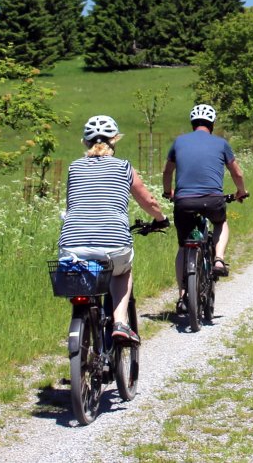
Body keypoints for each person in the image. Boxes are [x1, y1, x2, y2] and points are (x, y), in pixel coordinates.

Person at [59, 115, 168, 344]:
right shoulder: (123, 167)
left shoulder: (74, 167)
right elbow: (148, 200)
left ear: (85, 142)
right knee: (122, 271)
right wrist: (161, 218)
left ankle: (84, 338)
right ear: (114, 140)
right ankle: (120, 322)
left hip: (72, 244)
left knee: (83, 278)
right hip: (114, 243)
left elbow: (71, 205)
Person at [163, 104, 248, 282]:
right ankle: (219, 259)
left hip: (183, 201)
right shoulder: (221, 143)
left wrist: (168, 192)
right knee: (220, 222)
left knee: (183, 247)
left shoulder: (179, 142)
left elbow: (167, 172)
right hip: (213, 200)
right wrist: (241, 191)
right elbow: (237, 173)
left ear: (192, 123)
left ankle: (182, 296)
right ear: (212, 124)